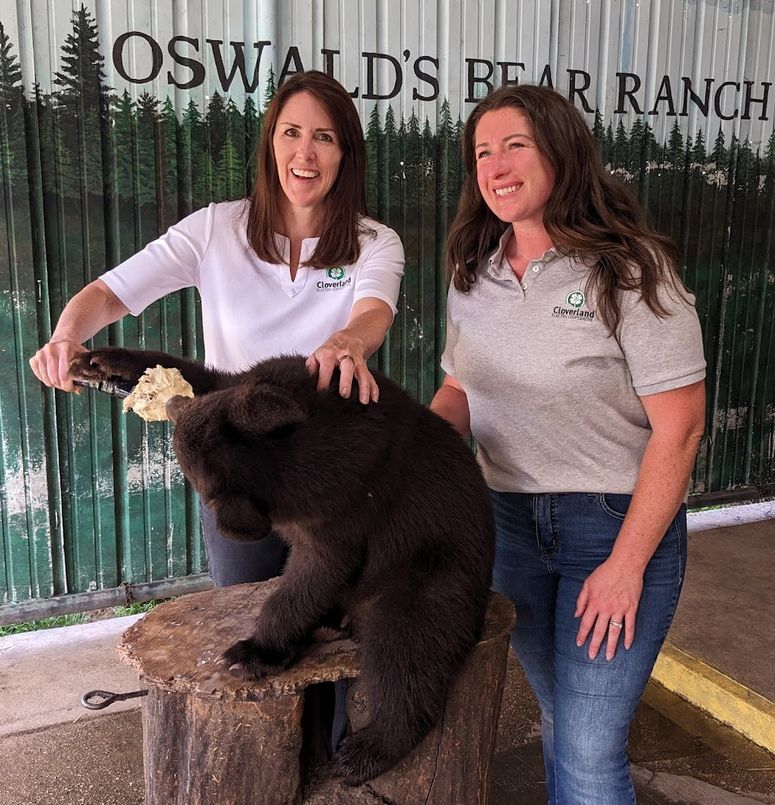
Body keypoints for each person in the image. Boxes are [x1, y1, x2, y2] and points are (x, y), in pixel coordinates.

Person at [430, 84, 706, 803]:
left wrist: (626, 564)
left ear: (561, 150)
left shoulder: (632, 269)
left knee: (588, 749)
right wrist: (413, 456)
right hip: (509, 526)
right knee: (557, 713)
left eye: (514, 144)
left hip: (611, 526)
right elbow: (461, 388)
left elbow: (681, 428)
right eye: (483, 152)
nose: (495, 165)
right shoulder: (473, 269)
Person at [30, 70, 405, 589]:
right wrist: (66, 334)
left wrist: (349, 340)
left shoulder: (375, 241)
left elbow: (374, 312)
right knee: (243, 618)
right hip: (234, 466)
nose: (306, 154)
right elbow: (110, 293)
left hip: (332, 468)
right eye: (291, 133)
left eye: (325, 138)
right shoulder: (214, 228)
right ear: (271, 142)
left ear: (345, 154)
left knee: (331, 628)